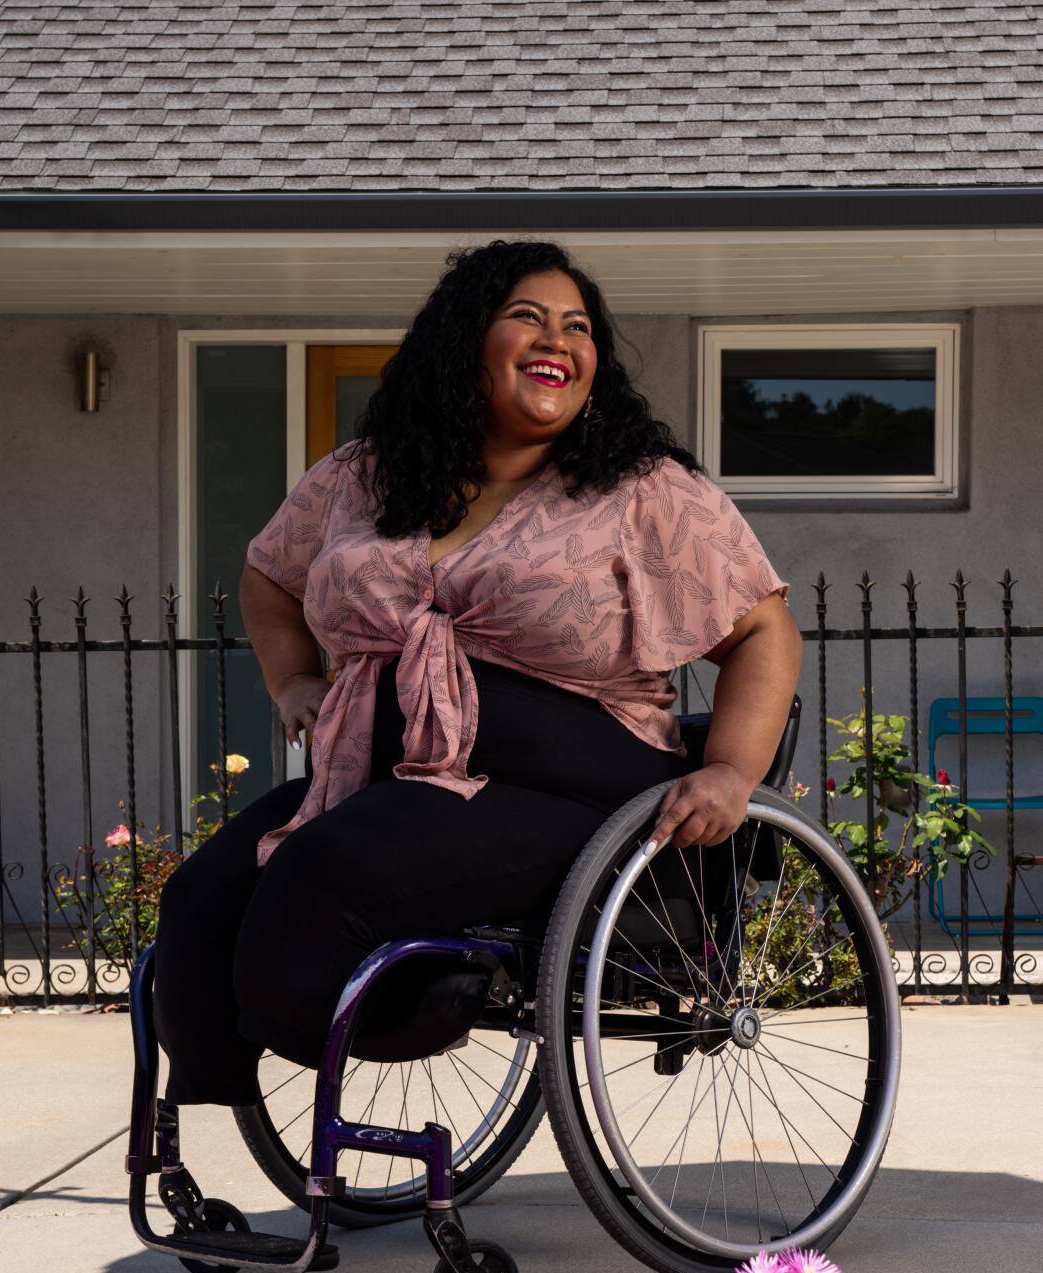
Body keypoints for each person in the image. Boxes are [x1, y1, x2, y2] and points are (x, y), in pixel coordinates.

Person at [153, 239, 802, 1102]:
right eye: (527, 317)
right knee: (202, 898)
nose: (558, 340)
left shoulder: (644, 491)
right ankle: (205, 1112)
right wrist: (293, 682)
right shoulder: (365, 478)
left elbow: (763, 630)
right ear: (466, 341)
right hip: (391, 779)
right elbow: (269, 577)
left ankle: (391, 1021)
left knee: (324, 872)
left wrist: (729, 770)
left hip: (576, 789)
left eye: (578, 327)